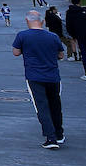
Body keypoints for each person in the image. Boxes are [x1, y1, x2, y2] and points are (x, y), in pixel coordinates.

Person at [13, 10, 66, 149]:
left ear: (27, 21)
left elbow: (16, 52)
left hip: (34, 76)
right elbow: (61, 55)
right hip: (53, 76)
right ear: (42, 21)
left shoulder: (22, 36)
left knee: (41, 106)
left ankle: (50, 137)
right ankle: (59, 133)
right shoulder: (53, 36)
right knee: (55, 105)